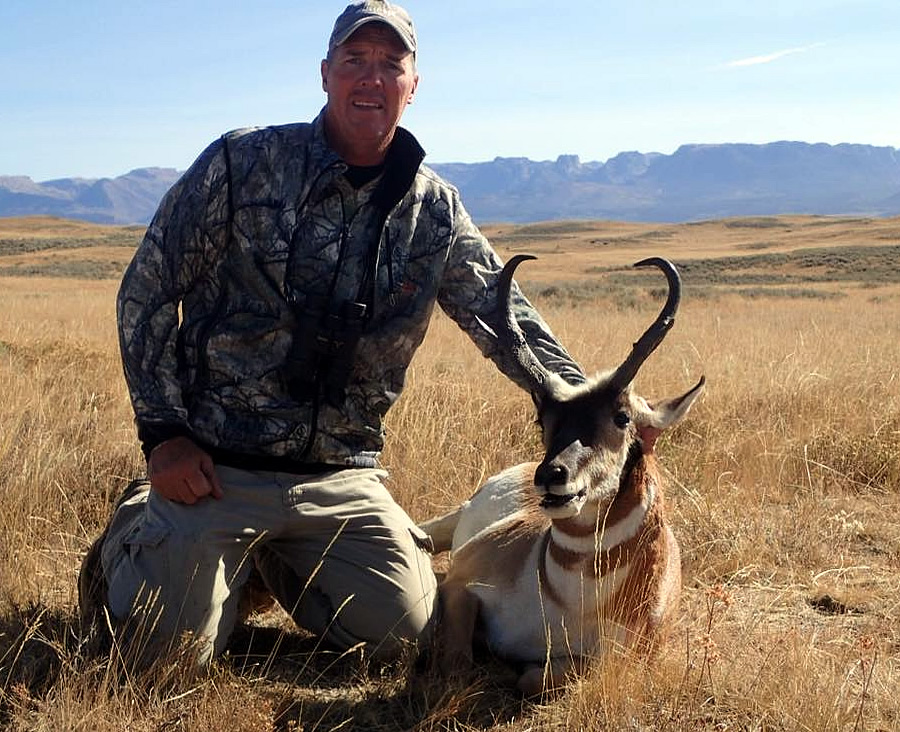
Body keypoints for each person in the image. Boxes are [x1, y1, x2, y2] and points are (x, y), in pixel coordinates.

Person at [79, 0, 584, 667]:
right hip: (214, 466)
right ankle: (136, 533)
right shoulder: (242, 164)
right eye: (354, 61)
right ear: (325, 73)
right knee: (160, 658)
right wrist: (164, 435)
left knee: (414, 638)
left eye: (390, 64)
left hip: (338, 477)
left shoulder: (433, 211)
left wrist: (589, 403)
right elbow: (148, 291)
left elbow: (504, 318)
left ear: (413, 85)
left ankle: (276, 560)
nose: (370, 78)